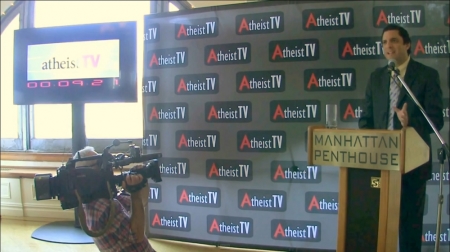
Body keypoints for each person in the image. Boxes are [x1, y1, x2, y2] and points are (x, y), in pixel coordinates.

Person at [359, 24, 444, 252]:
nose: (388, 46)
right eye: (385, 42)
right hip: (380, 164)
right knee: (378, 227)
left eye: (394, 41)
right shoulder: (376, 78)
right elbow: (366, 119)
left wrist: (410, 123)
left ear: (407, 44)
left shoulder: (426, 75)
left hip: (412, 164)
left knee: (409, 227)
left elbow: (437, 120)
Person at [73, 146, 157, 252]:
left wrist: (141, 179)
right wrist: (135, 194)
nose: (106, 166)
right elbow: (137, 235)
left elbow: (141, 202)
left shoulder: (98, 197)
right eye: (99, 163)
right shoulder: (102, 207)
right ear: (86, 174)